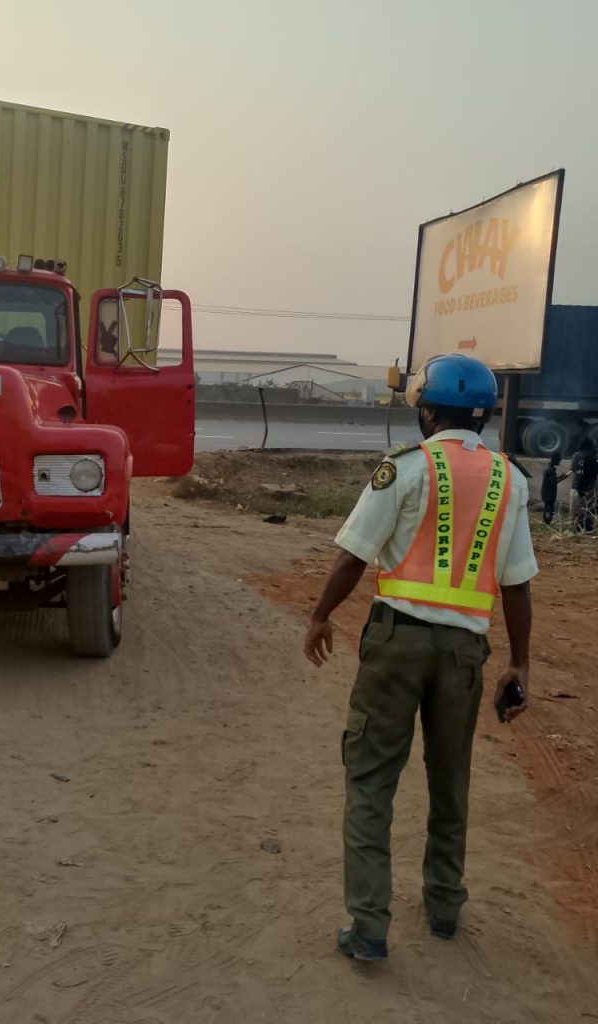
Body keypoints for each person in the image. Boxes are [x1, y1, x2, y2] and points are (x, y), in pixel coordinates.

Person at [303, 353, 537, 962]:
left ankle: (370, 925)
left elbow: (355, 554)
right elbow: (517, 582)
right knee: (450, 779)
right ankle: (442, 908)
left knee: (372, 778)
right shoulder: (510, 480)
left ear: (429, 411)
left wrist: (321, 613)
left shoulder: (406, 468)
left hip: (397, 644)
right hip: (464, 652)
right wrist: (521, 664)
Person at [568, 437, 597, 532]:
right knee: (587, 511)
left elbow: (573, 469)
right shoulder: (592, 457)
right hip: (587, 489)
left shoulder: (575, 456)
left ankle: (576, 528)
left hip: (575, 488)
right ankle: (586, 528)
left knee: (575, 513)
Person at [540, 452, 570, 525]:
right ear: (555, 460)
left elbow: (553, 480)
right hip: (549, 494)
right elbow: (553, 482)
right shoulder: (550, 470)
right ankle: (547, 522)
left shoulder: (549, 468)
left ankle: (546, 522)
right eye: (559, 460)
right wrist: (563, 477)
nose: (559, 462)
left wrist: (561, 477)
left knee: (547, 508)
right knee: (549, 509)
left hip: (546, 493)